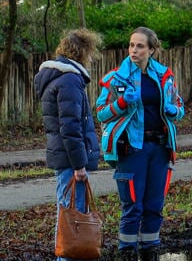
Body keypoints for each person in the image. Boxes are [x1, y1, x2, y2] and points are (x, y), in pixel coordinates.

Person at [96, 27, 184, 261]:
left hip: (160, 148)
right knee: (132, 206)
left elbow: (179, 106)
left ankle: (150, 252)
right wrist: (123, 102)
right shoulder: (116, 78)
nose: (134, 50)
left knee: (154, 205)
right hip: (131, 148)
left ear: (152, 50)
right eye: (131, 45)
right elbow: (101, 114)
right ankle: (126, 253)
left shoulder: (165, 75)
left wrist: (174, 110)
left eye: (140, 46)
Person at [33, 28, 104, 261]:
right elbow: (70, 127)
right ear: (81, 52)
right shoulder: (70, 80)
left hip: (63, 157)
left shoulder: (59, 77)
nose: (92, 58)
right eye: (91, 53)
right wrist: (79, 164)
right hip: (69, 159)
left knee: (67, 211)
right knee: (70, 214)